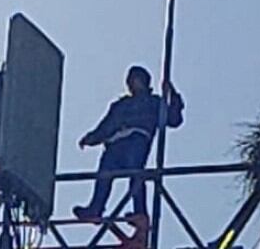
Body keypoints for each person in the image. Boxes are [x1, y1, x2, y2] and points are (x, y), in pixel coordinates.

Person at [73, 65, 184, 221]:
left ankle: (140, 214)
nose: (131, 84)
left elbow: (174, 119)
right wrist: (91, 138)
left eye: (135, 80)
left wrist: (172, 94)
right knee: (105, 171)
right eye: (130, 80)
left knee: (135, 171)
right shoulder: (120, 105)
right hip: (115, 142)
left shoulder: (153, 102)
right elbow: (106, 126)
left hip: (137, 138)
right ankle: (95, 209)